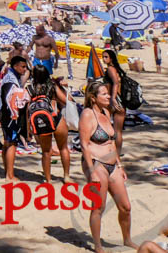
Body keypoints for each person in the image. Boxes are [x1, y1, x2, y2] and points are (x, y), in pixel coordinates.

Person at [80, 80, 136, 252]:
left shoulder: (105, 111)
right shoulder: (88, 114)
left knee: (125, 207)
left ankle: (127, 240)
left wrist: (119, 165)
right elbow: (84, 144)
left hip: (112, 164)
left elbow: (111, 143)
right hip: (97, 164)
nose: (108, 96)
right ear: (93, 97)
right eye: (103, 94)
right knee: (99, 207)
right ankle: (97, 245)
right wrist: (92, 172)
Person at [28, 65, 72, 183]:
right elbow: (67, 101)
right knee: (63, 148)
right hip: (55, 117)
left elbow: (26, 108)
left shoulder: (30, 88)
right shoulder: (52, 86)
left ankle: (48, 180)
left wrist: (28, 128)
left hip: (42, 121)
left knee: (46, 152)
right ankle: (66, 176)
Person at [0, 55, 30, 181]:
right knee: (12, 144)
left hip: (5, 114)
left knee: (7, 143)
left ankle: (7, 171)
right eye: (23, 67)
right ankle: (9, 175)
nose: (25, 69)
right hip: (9, 115)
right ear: (15, 66)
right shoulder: (10, 80)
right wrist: (13, 116)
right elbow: (8, 100)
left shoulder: (12, 77)